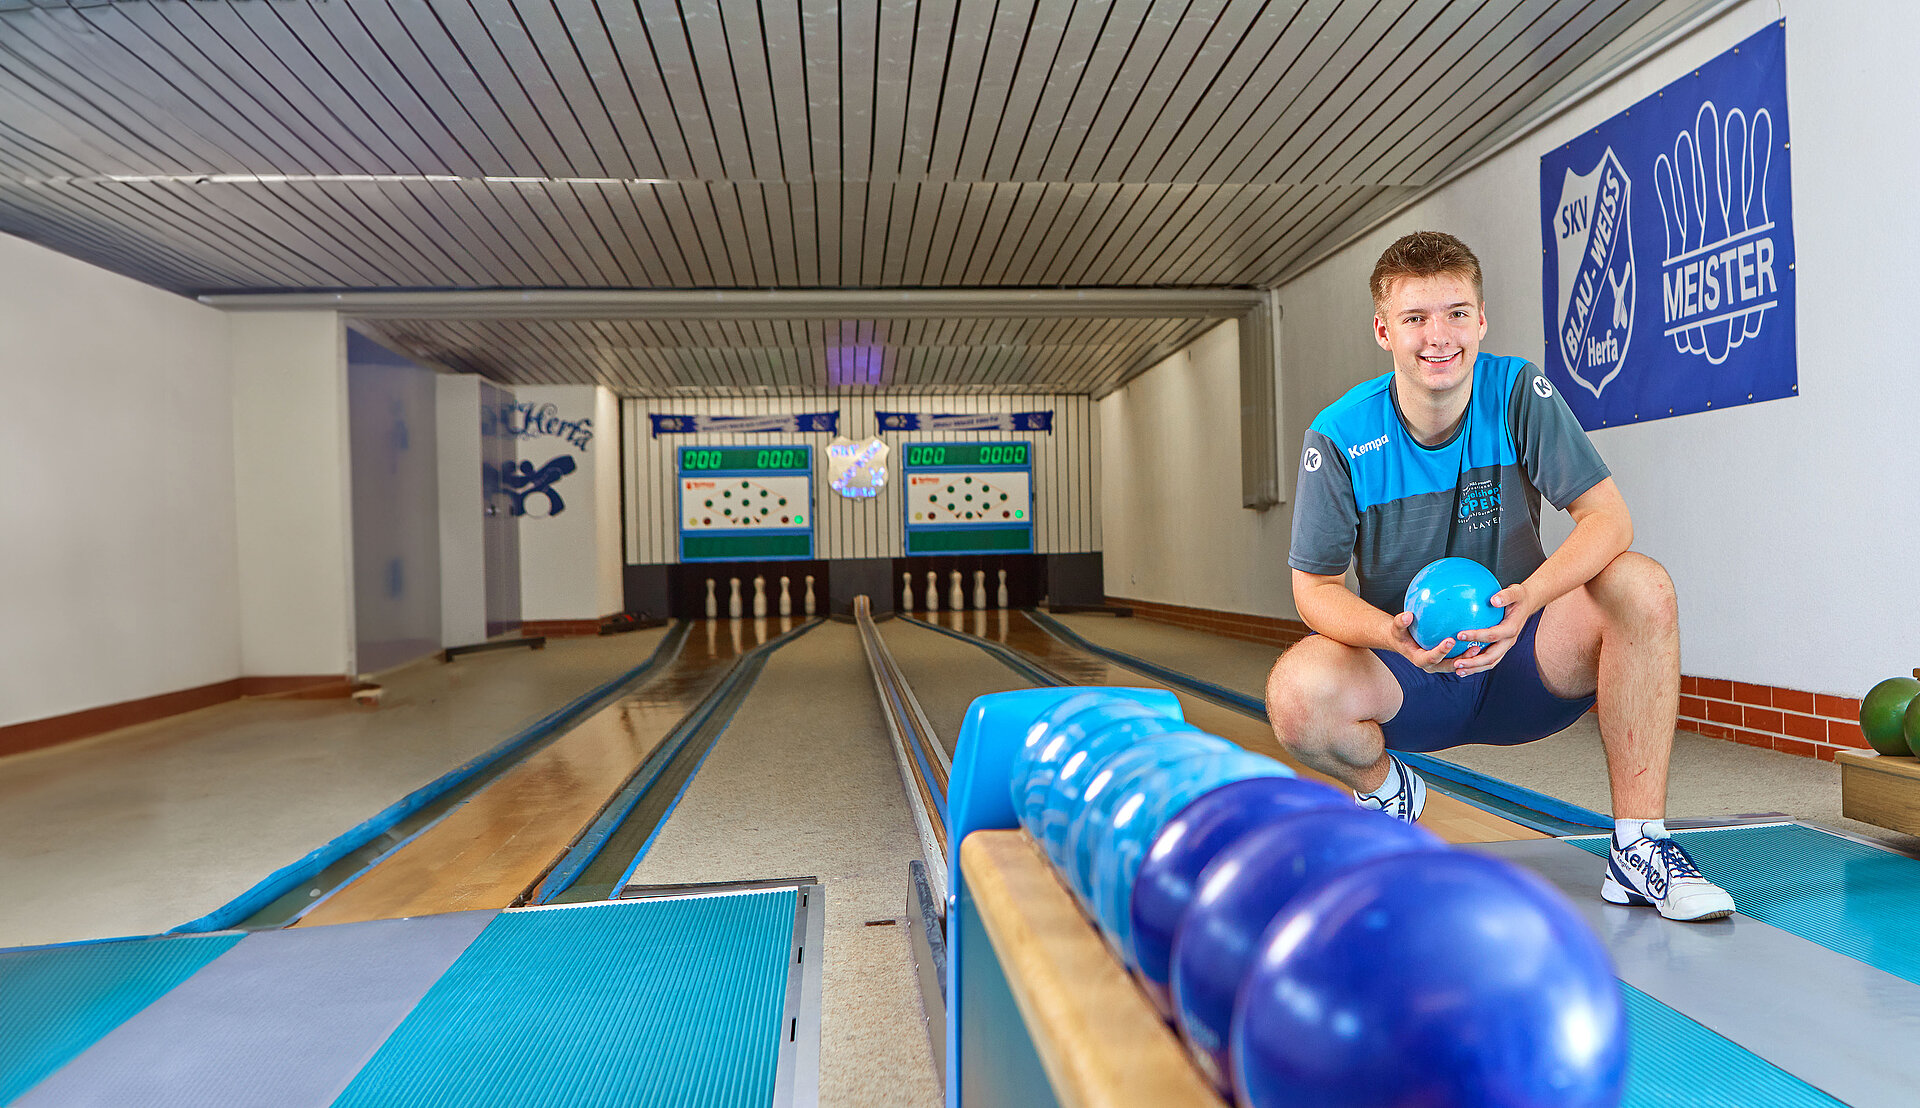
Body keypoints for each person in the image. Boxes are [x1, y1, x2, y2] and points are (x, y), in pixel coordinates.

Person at [1266, 230, 1734, 922]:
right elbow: (1315, 589)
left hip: (1527, 660)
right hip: (1411, 675)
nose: (1438, 336)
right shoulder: (1338, 436)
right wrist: (1393, 637)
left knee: (1641, 584)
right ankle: (1389, 793)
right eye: (1415, 317)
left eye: (1456, 313)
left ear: (1481, 320)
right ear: (1383, 330)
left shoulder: (1517, 392)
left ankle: (1639, 846)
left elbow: (1608, 519)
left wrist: (1529, 599)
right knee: (1295, 693)